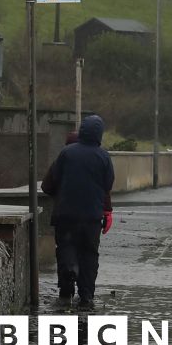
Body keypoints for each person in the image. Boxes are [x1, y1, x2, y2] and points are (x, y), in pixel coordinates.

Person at [41, 115, 115, 311]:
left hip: (66, 214)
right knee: (89, 254)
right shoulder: (103, 156)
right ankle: (86, 295)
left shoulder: (66, 153)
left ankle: (67, 284)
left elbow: (52, 181)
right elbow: (108, 184)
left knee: (65, 247)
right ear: (99, 134)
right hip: (91, 218)